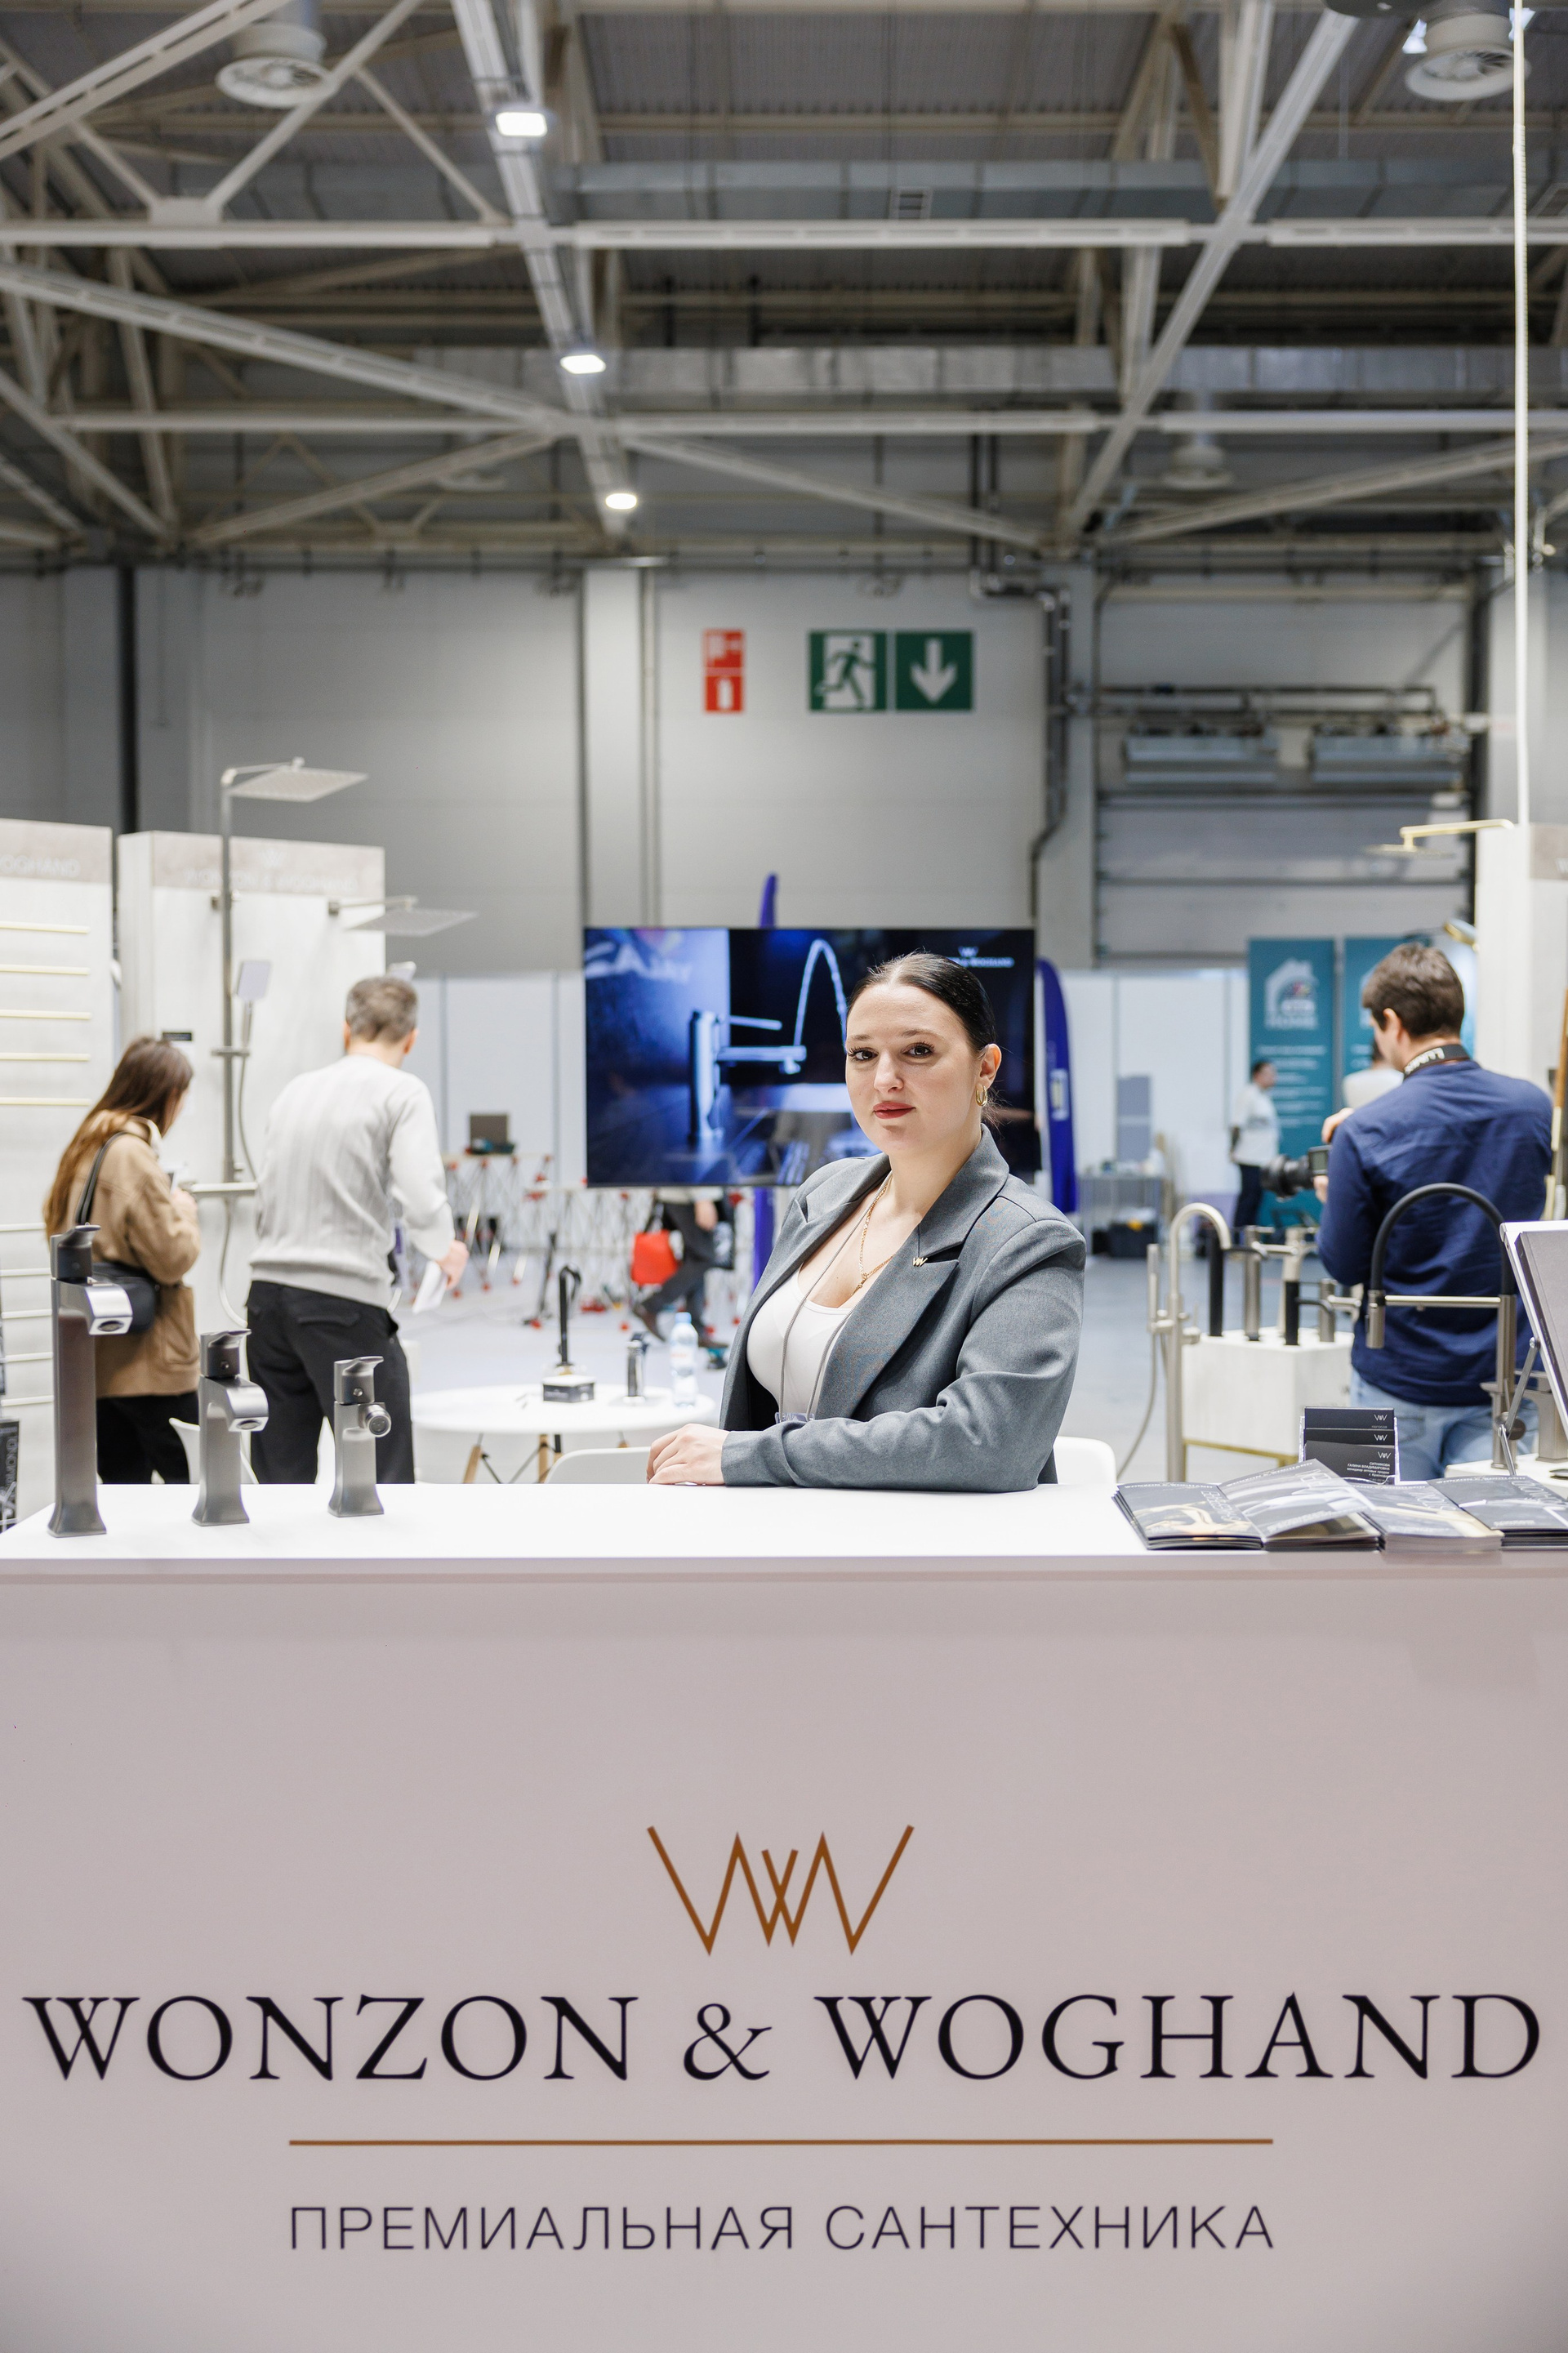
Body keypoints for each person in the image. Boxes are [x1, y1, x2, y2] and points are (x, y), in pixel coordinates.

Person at [647, 952, 1085, 1490]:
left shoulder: (1028, 1242)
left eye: (918, 1051)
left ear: (985, 1068)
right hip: (775, 1527)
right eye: (863, 1054)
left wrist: (751, 1456)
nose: (884, 1079)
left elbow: (988, 1443)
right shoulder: (824, 1195)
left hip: (920, 1539)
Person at [1316, 943, 1550, 1482]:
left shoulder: (1364, 1130)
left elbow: (1345, 1264)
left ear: (1393, 1022)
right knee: (1500, 1532)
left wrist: (1337, 1194)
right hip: (1507, 1380)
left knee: (1385, 1532)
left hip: (1400, 1379)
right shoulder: (1532, 1107)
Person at [246, 975, 468, 1484]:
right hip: (341, 1305)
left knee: (279, 1480)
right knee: (379, 1476)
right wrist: (443, 1248)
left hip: (267, 1302)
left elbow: (267, 1191)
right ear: (410, 1039)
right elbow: (419, 1194)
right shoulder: (402, 1092)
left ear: (346, 1030)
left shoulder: (294, 1091)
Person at [42, 1036, 201, 1483]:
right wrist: (185, 1214)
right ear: (168, 1095)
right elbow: (172, 1257)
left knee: (122, 1492)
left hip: (100, 1360)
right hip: (152, 1363)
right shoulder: (131, 1153)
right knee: (195, 1486)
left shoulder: (88, 1143)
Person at [635, 1189, 734, 1340]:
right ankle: (651, 1305)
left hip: (684, 1196)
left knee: (695, 1258)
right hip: (688, 1197)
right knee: (703, 1258)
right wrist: (702, 1197)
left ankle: (696, 1330)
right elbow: (691, 1172)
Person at [1229, 1057, 1279, 1232]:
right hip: (1249, 1157)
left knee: (1256, 1199)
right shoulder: (1248, 1095)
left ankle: (1250, 1238)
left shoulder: (1264, 1097)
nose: (1273, 1077)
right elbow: (1236, 1125)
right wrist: (1232, 1149)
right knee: (1248, 1199)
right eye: (1268, 1073)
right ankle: (1237, 1238)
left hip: (1263, 1159)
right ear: (1257, 1075)